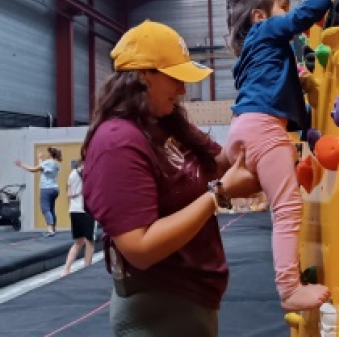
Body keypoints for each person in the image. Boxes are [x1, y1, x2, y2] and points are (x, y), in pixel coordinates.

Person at [81, 20, 261, 337]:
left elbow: (219, 163)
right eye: (174, 78)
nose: (182, 89)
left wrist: (257, 128)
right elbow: (141, 247)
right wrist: (217, 196)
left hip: (193, 299)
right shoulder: (117, 142)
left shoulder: (166, 123)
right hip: (157, 306)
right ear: (142, 75)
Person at [224, 0, 337, 311]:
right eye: (282, 8)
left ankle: (290, 283)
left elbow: (287, 104)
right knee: (287, 209)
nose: (287, 16)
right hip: (262, 129)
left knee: (281, 202)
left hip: (242, 129)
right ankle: (288, 288)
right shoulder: (265, 30)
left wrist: (302, 97)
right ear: (260, 16)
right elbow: (310, 13)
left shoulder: (251, 55)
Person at [15, 146, 62, 237]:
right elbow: (42, 169)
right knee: (51, 209)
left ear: (50, 153)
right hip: (54, 189)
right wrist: (39, 159)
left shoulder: (48, 162)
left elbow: (33, 169)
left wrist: (22, 165)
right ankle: (53, 228)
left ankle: (50, 229)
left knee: (45, 209)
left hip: (46, 188)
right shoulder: (56, 163)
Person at [61, 160, 95, 277]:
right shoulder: (87, 172)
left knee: (79, 242)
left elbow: (69, 194)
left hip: (75, 210)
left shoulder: (72, 174)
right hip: (85, 210)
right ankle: (87, 267)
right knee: (89, 241)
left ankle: (66, 268)